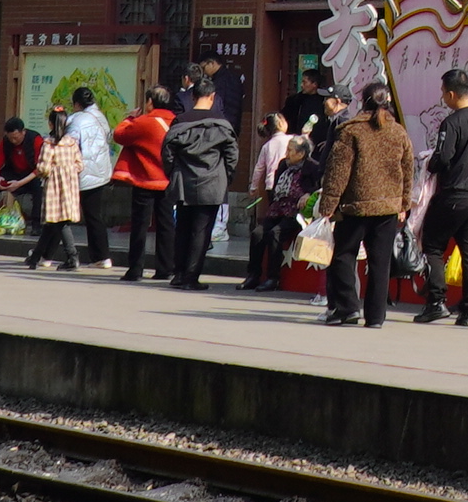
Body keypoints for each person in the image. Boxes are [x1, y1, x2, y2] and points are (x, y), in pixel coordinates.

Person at [312, 82, 412, 326]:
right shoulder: (398, 131)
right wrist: (403, 203)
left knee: (343, 256)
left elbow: (338, 172)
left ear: (363, 101)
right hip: (387, 207)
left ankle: (348, 308)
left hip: (355, 206)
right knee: (380, 263)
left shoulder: (350, 131)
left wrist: (328, 205)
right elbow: (408, 169)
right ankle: (376, 317)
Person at [414, 68, 468, 326]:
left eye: (443, 93)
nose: (443, 98)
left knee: (432, 246)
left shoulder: (451, 123)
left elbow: (443, 158)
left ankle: (436, 302)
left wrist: (430, 164)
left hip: (453, 196)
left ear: (451, 94)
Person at [163, 87, 240, 291]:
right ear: (213, 97)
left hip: (183, 181)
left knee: (182, 228)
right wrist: (226, 177)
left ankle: (178, 274)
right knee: (201, 232)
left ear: (192, 96)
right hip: (212, 181)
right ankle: (191, 276)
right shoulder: (222, 124)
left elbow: (167, 151)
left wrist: (172, 172)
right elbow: (232, 156)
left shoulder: (180, 122)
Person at [108, 91, 174, 280]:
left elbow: (120, 135)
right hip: (168, 180)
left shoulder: (144, 122)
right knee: (166, 225)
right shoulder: (176, 122)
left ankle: (135, 269)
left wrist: (129, 118)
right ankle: (165, 268)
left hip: (145, 180)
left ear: (150, 102)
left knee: (140, 226)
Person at [242, 110, 307, 292]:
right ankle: (253, 274)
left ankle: (273, 277)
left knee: (276, 233)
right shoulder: (282, 167)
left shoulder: (309, 169)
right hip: (278, 205)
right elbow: (260, 170)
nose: (286, 154)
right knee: (258, 232)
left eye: (290, 151)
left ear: (301, 154)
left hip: (294, 210)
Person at [32, 115, 87, 271]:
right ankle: (36, 256)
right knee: (54, 221)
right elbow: (80, 164)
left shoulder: (49, 144)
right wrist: (68, 171)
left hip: (55, 187)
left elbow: (43, 168)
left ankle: (72, 256)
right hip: (70, 185)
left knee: (59, 221)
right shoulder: (72, 143)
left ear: (50, 123)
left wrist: (53, 172)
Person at [0, 118, 44, 253]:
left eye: (16, 138)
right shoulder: (5, 142)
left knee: (39, 186)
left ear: (23, 132)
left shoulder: (35, 140)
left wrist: (19, 184)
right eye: (10, 138)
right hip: (13, 173)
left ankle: (36, 225)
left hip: (30, 176)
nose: (14, 141)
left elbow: (40, 169)